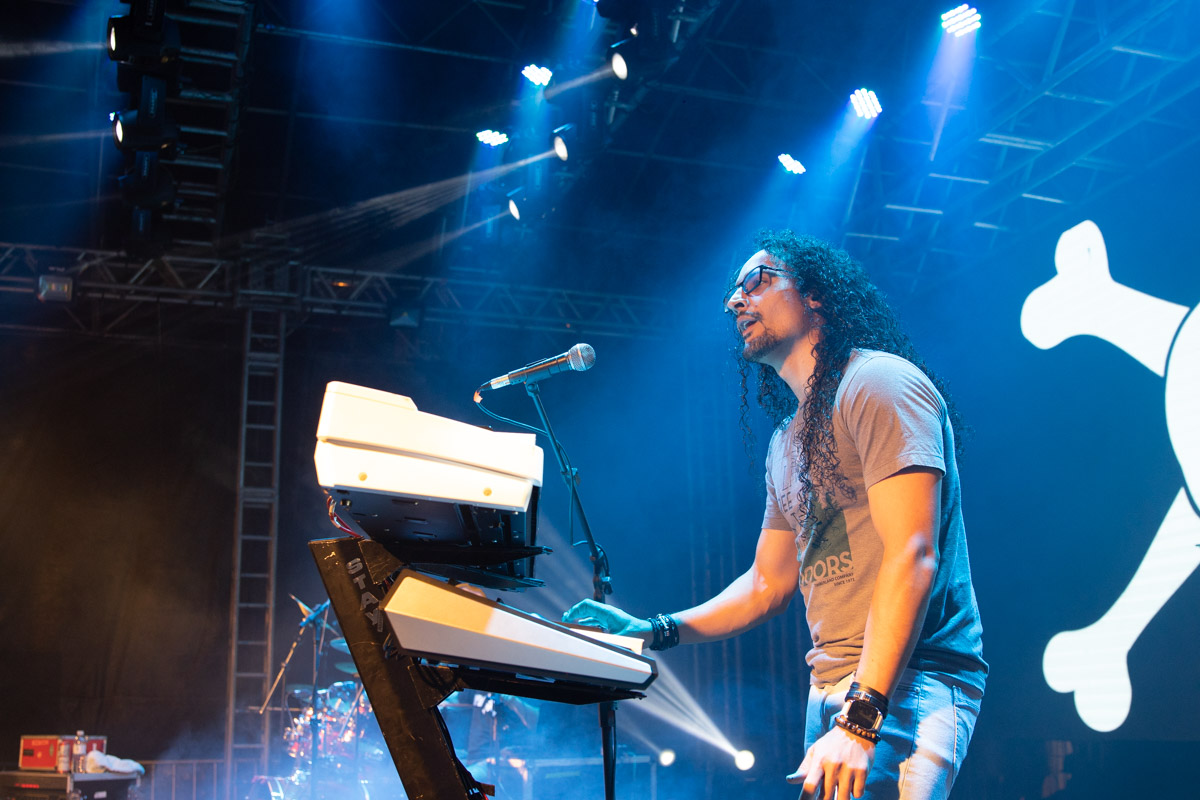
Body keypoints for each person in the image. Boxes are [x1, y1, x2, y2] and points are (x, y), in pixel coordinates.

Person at [563, 231, 986, 800]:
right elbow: (767, 584)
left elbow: (914, 554)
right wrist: (654, 629)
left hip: (907, 681)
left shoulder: (877, 383)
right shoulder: (786, 442)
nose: (736, 300)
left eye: (757, 281)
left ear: (815, 295)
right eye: (732, 293)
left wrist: (862, 716)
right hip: (834, 688)